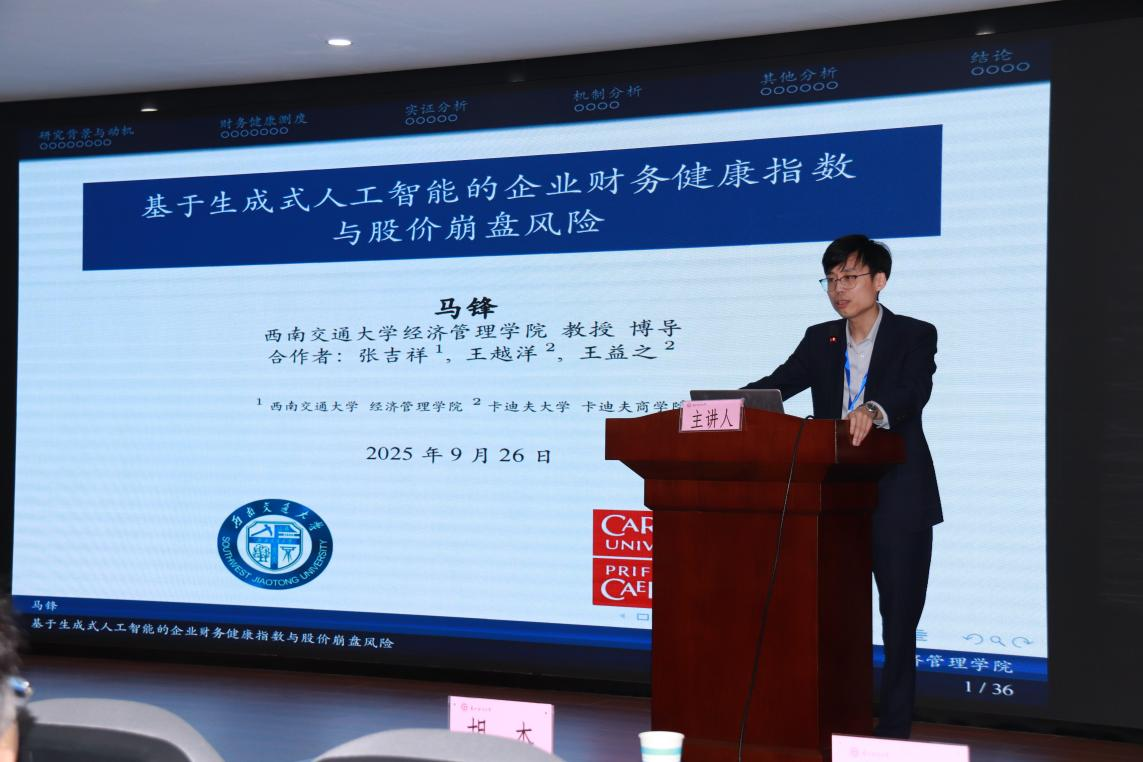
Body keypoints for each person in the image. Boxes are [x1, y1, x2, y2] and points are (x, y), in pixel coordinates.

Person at [743, 234, 941, 739]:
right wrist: (722, 405)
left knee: (898, 621)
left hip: (898, 495)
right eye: (831, 279)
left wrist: (872, 410)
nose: (838, 289)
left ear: (880, 281)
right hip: (833, 500)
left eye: (849, 277)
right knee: (831, 616)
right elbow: (778, 385)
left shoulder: (915, 334)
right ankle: (832, 723)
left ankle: (892, 733)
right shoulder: (821, 339)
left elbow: (913, 391)